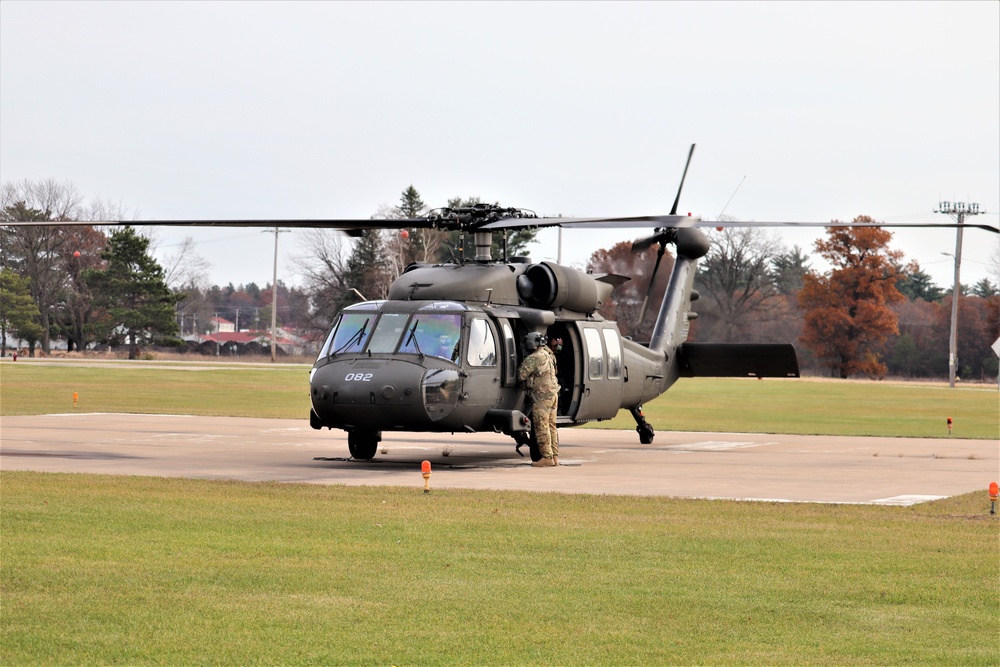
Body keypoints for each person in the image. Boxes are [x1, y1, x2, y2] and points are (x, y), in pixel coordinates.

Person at [517, 332, 563, 467]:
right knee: (551, 426)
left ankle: (546, 457)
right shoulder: (549, 355)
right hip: (553, 395)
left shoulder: (535, 357)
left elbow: (521, 375)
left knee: (541, 426)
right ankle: (554, 457)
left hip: (541, 397)